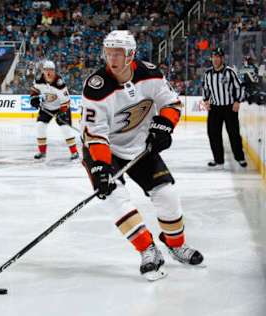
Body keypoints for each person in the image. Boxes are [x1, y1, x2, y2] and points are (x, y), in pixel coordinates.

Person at [80, 30, 204, 281]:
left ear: (131, 55)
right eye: (108, 52)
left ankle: (176, 244)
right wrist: (101, 167)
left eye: (118, 53)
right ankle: (147, 250)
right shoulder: (96, 87)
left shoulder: (150, 74)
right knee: (115, 198)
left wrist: (164, 126)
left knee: (167, 193)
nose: (112, 58)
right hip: (102, 149)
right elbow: (95, 134)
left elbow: (171, 104)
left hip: (140, 144)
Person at [202, 47, 247, 169]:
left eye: (218, 57)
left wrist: (237, 101)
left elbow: (240, 87)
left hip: (229, 108)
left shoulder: (230, 72)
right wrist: (206, 100)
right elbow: (206, 89)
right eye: (213, 57)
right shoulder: (207, 74)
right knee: (213, 134)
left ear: (222, 58)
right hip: (215, 109)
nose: (215, 59)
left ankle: (240, 157)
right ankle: (218, 160)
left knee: (234, 134)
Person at [30, 60, 79, 160]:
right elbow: (35, 90)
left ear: (54, 71)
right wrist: (34, 98)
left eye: (51, 70)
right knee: (40, 126)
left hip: (61, 108)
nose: (48, 72)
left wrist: (62, 112)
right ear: (43, 71)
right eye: (46, 70)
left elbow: (66, 101)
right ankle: (42, 152)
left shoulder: (59, 83)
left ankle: (74, 152)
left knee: (65, 129)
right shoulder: (39, 79)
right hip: (46, 107)